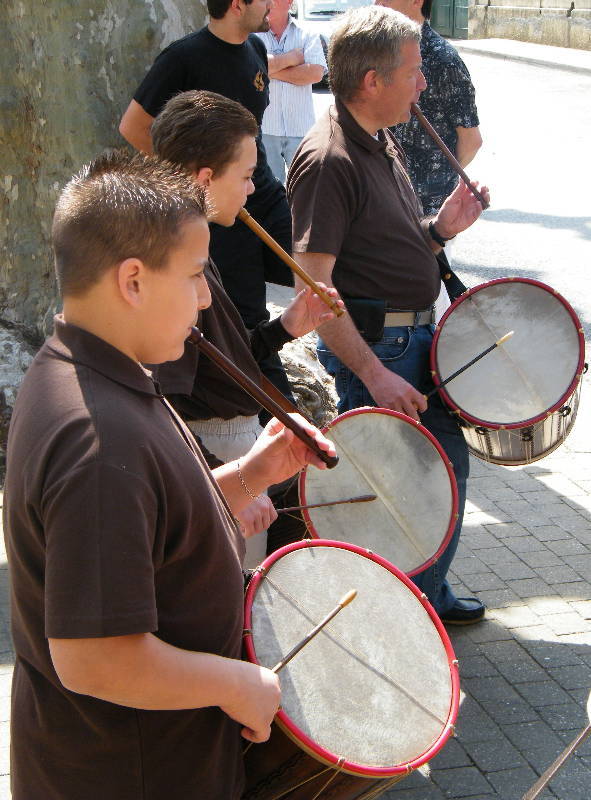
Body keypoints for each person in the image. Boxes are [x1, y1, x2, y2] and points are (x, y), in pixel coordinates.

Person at [3, 150, 336, 799]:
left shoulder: (97, 372)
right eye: (192, 275)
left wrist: (254, 472)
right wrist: (237, 683)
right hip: (128, 774)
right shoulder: (94, 439)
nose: (206, 296)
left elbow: (149, 526)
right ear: (133, 280)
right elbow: (96, 656)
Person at [286, 5, 490, 625]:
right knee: (402, 485)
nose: (424, 83)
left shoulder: (378, 138)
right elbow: (315, 292)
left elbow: (384, 252)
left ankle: (425, 594)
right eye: (412, 71)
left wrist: (440, 231)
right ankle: (404, 610)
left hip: (407, 338)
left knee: (439, 474)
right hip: (382, 351)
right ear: (371, 82)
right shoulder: (329, 161)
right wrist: (375, 375)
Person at [151, 89, 342, 565]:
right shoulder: (173, 260)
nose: (253, 188)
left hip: (225, 447)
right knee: (231, 614)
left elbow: (222, 363)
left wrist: (287, 327)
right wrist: (233, 483)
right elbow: (160, 403)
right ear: (204, 178)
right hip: (210, 450)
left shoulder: (193, 246)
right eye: (246, 175)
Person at [118, 0, 296, 402]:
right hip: (217, 219)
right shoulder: (183, 57)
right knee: (246, 318)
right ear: (237, 5)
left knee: (317, 269)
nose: (274, 4)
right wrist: (192, 186)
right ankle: (274, 416)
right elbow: (133, 126)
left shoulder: (256, 49)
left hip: (261, 195)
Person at [379, 0, 482, 218]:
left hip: (428, 211)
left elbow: (471, 140)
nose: (378, 2)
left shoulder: (443, 59)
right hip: (386, 201)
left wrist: (439, 180)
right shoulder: (382, 54)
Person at [255, 0, 327, 183]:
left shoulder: (307, 33)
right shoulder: (254, 34)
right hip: (266, 127)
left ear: (289, 2)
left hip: (300, 127)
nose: (269, 3)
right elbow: (251, 67)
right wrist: (292, 58)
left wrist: (270, 69)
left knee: (305, 187)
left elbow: (315, 73)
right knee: (271, 188)